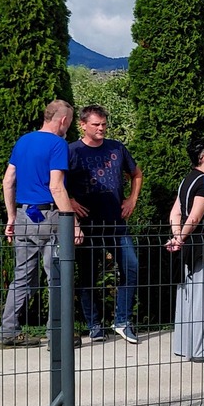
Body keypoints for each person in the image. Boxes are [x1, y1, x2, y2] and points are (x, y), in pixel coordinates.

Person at [0, 100, 84, 348]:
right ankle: (57, 335)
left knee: (22, 276)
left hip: (24, 216)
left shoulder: (23, 141)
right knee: (56, 276)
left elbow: (8, 181)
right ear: (63, 120)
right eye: (69, 122)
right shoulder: (58, 144)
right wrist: (73, 222)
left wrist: (11, 216)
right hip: (49, 217)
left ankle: (8, 332)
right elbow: (56, 187)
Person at [67, 105, 143, 344]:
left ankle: (122, 321)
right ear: (83, 125)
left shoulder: (116, 148)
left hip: (115, 222)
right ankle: (94, 325)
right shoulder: (72, 151)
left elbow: (136, 174)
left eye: (103, 124)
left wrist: (132, 199)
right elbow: (56, 182)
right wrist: (70, 202)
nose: (101, 128)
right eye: (96, 124)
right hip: (87, 225)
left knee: (131, 266)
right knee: (88, 276)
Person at [166, 140, 204, 363]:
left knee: (188, 296)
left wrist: (177, 237)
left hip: (188, 245)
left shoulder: (187, 180)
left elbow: (176, 212)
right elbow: (195, 217)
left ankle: (184, 345)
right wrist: (181, 237)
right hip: (202, 245)